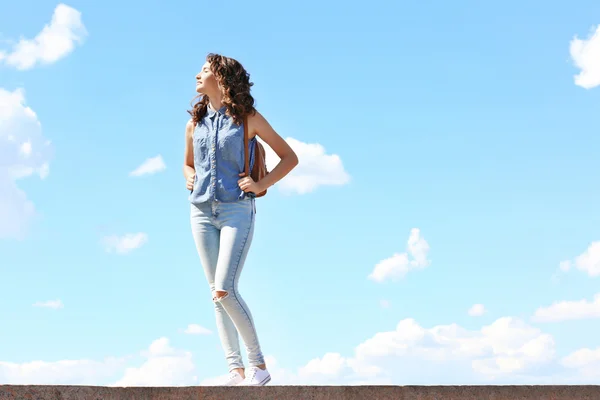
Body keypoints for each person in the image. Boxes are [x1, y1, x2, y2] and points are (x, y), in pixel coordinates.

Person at [183, 53, 298, 386]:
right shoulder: (195, 122)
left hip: (237, 210)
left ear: (221, 78)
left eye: (204, 71)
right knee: (214, 293)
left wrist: (261, 184)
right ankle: (235, 370)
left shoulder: (248, 118)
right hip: (201, 212)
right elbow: (187, 163)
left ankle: (258, 366)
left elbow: (289, 156)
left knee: (224, 289)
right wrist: (188, 174)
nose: (197, 75)